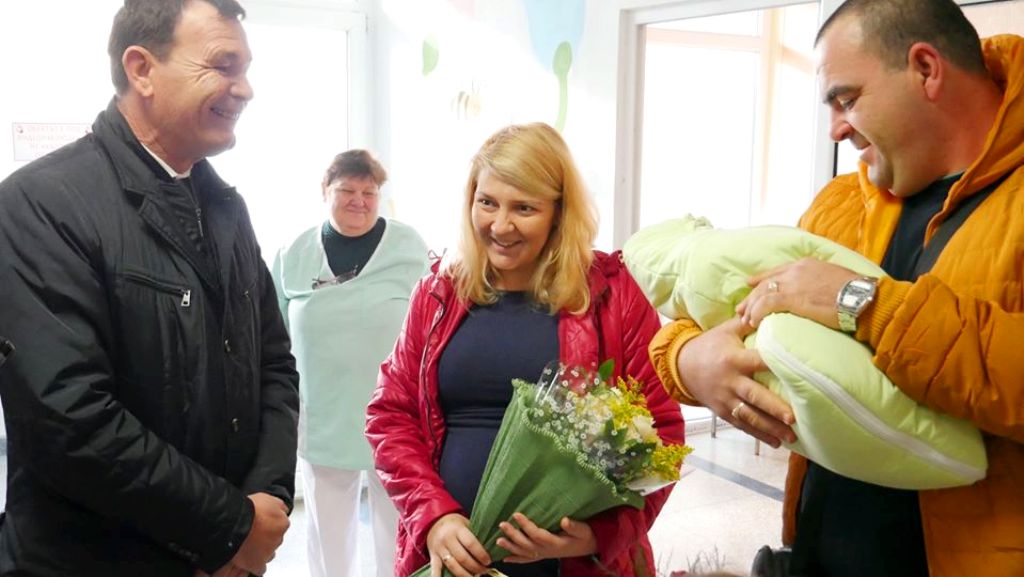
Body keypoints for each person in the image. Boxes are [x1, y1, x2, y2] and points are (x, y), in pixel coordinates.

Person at [649, 1, 1024, 576]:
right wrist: (687, 359)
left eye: (847, 100)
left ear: (926, 70)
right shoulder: (841, 203)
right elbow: (734, 308)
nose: (836, 129)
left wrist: (864, 304)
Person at [0, 1, 299, 575]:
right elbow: (68, 418)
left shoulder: (226, 209)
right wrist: (229, 527)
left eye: (245, 69)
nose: (245, 89)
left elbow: (275, 365)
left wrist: (265, 504)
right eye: (224, 65)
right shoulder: (41, 205)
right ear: (141, 69)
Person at [365, 122, 685, 577]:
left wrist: (597, 536)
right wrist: (433, 516)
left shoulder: (613, 296)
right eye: (487, 203)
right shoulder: (438, 293)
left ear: (559, 212)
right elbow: (390, 414)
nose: (500, 225)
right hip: (449, 559)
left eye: (524, 208)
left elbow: (662, 434)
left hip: (571, 568)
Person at [272, 149, 429, 577]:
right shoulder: (294, 253)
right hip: (324, 412)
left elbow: (434, 321)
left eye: (369, 191)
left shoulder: (409, 246)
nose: (358, 200)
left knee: (396, 526)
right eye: (346, 190)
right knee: (328, 532)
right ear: (325, 191)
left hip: (397, 414)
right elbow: (271, 333)